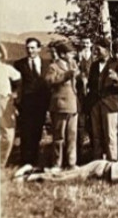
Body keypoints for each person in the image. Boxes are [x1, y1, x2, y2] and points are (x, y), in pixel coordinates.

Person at [12, 38, 52, 167]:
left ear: (39, 49)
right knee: (26, 133)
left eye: (33, 48)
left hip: (42, 104)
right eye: (28, 48)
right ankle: (25, 162)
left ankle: (36, 160)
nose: (30, 51)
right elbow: (17, 86)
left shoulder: (48, 63)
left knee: (38, 133)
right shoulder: (19, 64)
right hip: (26, 105)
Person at [45, 41, 80, 169]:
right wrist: (66, 75)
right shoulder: (53, 66)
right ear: (62, 54)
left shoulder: (74, 65)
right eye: (70, 54)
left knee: (72, 136)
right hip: (60, 105)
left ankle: (72, 163)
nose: (72, 56)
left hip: (73, 105)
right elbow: (49, 80)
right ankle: (56, 164)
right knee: (59, 137)